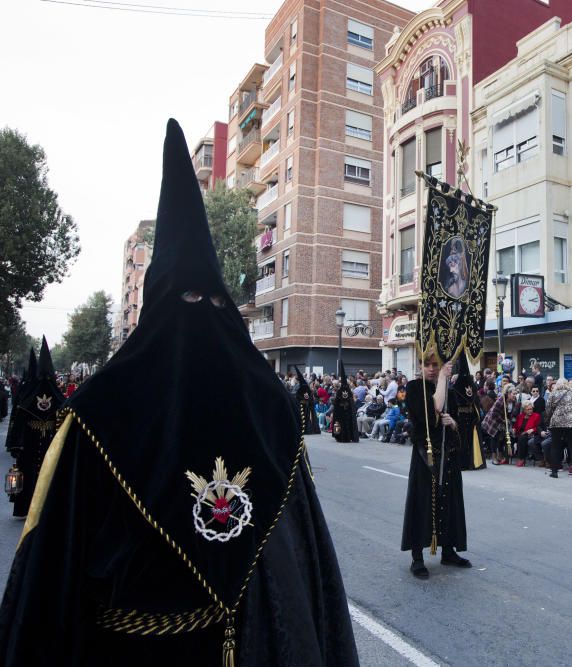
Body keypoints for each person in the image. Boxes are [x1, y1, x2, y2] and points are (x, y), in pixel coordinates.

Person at [0, 121, 358, 664]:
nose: (205, 318)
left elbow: (301, 572)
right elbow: (54, 580)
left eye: (215, 302)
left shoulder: (270, 412)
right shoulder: (100, 414)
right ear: (161, 309)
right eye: (189, 298)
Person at [401, 355, 471, 579]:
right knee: (422, 504)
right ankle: (417, 557)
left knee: (449, 504)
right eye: (427, 365)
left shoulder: (450, 391)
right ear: (419, 366)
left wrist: (453, 423)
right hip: (425, 458)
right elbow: (434, 408)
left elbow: (460, 425)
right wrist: (442, 377)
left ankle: (448, 551)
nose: (431, 369)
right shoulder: (414, 388)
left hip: (448, 458)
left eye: (436, 365)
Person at [5, 338, 65, 519]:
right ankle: (29, 507)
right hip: (32, 443)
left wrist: (16, 445)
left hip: (48, 442)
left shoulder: (34, 397)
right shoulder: (31, 398)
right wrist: (17, 445)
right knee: (31, 475)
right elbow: (19, 421)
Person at [545, 378, 572, 479]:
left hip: (557, 422)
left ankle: (554, 472)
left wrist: (550, 418)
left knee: (555, 446)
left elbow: (548, 409)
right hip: (571, 421)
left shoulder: (552, 394)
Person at [450, 355, 484, 470]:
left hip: (461, 417)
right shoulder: (470, 385)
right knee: (466, 441)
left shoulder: (456, 386)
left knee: (463, 441)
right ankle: (467, 462)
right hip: (468, 417)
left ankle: (464, 463)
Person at [332, 361, 359, 442]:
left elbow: (350, 402)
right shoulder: (343, 392)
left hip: (344, 412)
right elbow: (337, 402)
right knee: (340, 424)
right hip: (342, 412)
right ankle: (341, 436)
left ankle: (342, 436)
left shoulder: (342, 392)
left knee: (344, 423)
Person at [513, 400, 542, 467]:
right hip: (518, 433)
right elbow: (515, 426)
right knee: (508, 437)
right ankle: (506, 457)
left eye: (531, 409)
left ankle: (521, 458)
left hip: (530, 434)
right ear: (524, 410)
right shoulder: (520, 416)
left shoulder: (536, 416)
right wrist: (514, 429)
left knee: (522, 438)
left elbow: (539, 427)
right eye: (528, 409)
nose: (530, 411)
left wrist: (533, 429)